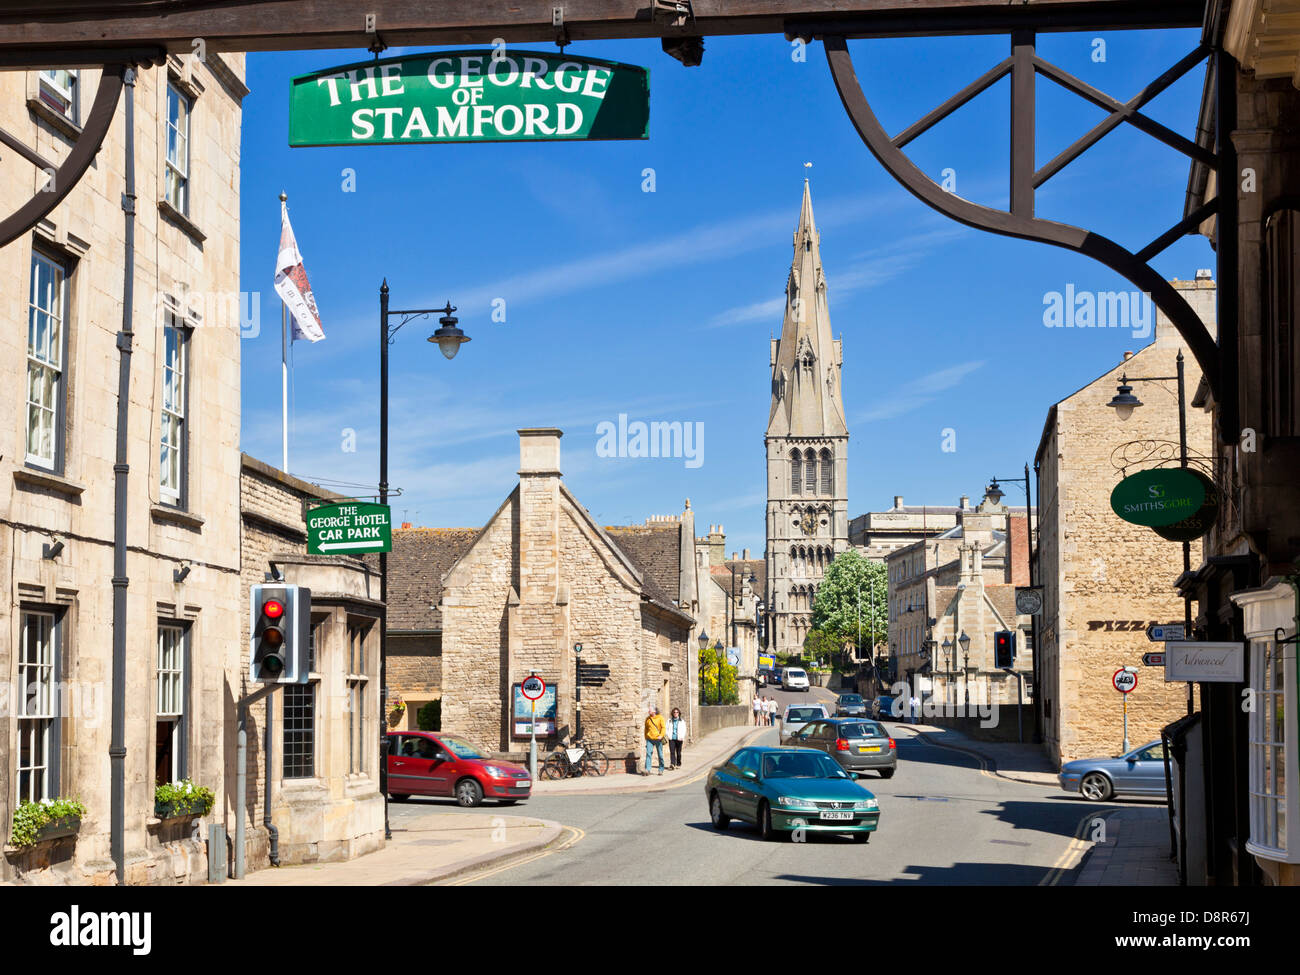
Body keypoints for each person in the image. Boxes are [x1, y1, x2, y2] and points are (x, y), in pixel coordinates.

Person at [643, 706, 667, 775]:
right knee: (648, 754)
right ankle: (647, 769)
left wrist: (661, 735)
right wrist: (646, 737)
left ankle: (661, 769)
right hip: (649, 739)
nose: (648, 711)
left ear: (654, 711)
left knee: (660, 754)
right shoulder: (647, 719)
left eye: (650, 710)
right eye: (649, 710)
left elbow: (663, 728)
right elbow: (646, 729)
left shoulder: (660, 718)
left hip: (658, 739)